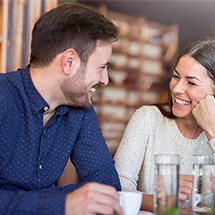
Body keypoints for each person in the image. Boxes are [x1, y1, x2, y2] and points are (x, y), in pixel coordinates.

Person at [114, 38, 215, 213]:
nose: (177, 88)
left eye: (191, 82)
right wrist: (162, 201)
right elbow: (117, 187)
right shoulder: (147, 119)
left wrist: (214, 130)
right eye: (176, 76)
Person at [0, 4, 123, 215]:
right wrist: (63, 203)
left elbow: (107, 185)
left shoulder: (80, 109)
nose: (105, 80)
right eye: (102, 67)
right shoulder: (3, 96)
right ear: (69, 62)